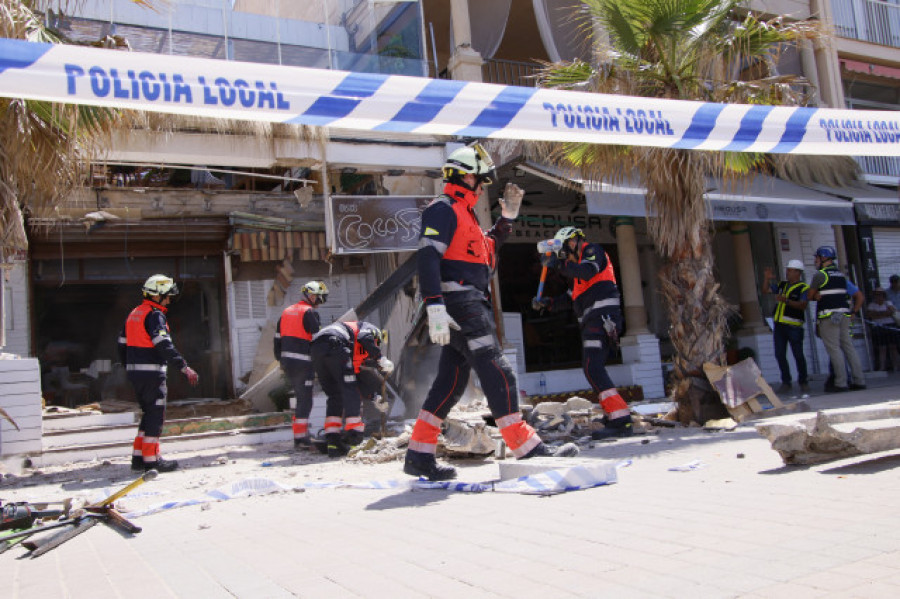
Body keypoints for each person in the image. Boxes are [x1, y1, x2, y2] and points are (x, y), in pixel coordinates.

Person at [405, 143, 578, 482]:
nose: (483, 186)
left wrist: (507, 220)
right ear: (464, 177)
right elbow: (427, 257)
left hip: (467, 302)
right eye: (479, 180)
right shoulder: (444, 208)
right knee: (497, 370)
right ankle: (525, 445)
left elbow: (486, 251)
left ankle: (419, 455)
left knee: (450, 382)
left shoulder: (465, 215)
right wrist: (435, 304)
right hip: (460, 304)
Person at [532, 227, 634, 439]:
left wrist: (559, 265)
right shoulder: (577, 273)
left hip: (603, 318)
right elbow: (569, 299)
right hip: (594, 321)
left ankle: (621, 420)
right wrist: (547, 303)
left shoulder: (592, 251)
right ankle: (613, 414)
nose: (567, 251)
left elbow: (588, 271)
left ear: (577, 240)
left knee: (592, 367)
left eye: (568, 245)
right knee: (593, 368)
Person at [118, 275, 199, 472]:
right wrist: (183, 366)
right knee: (155, 415)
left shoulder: (134, 313)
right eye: (167, 296)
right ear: (158, 295)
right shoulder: (154, 315)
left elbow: (121, 343)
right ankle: (152, 460)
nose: (169, 300)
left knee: (147, 414)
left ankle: (138, 460)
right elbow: (163, 344)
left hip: (136, 374)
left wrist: (129, 366)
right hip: (152, 374)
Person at [310, 320, 393, 457]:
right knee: (351, 394)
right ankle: (356, 441)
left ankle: (333, 444)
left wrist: (374, 397)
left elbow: (355, 380)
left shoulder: (352, 351)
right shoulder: (370, 329)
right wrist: (380, 358)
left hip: (317, 349)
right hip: (335, 344)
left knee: (335, 396)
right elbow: (364, 338)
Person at [274, 281, 328, 449]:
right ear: (312, 296)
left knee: (300, 397)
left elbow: (277, 339)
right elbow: (317, 340)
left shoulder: (286, 312)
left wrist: (281, 360)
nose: (320, 302)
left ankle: (299, 435)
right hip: (303, 363)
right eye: (319, 299)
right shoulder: (309, 312)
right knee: (305, 400)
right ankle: (301, 438)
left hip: (288, 363)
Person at [807, 246, 866, 392]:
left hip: (829, 317)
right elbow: (860, 296)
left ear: (823, 258)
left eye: (817, 258)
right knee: (849, 347)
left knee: (834, 349)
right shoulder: (841, 276)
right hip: (844, 316)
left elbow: (809, 295)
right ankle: (859, 380)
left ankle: (841, 383)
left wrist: (815, 295)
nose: (815, 261)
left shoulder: (820, 275)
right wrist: (854, 312)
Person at [762, 260, 810, 397]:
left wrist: (786, 301)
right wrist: (766, 278)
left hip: (794, 326)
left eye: (790, 270)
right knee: (780, 354)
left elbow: (803, 305)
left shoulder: (803, 288)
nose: (787, 273)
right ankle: (786, 382)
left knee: (798, 355)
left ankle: (803, 381)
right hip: (779, 326)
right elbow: (766, 290)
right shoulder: (783, 285)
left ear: (798, 272)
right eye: (788, 270)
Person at [865, 287, 900, 372]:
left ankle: (896, 366)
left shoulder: (888, 303)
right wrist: (884, 313)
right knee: (882, 348)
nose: (879, 297)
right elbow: (870, 315)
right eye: (877, 295)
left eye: (881, 295)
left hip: (890, 325)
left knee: (893, 347)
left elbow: (892, 312)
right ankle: (882, 367)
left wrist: (879, 314)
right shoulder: (872, 305)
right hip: (879, 326)